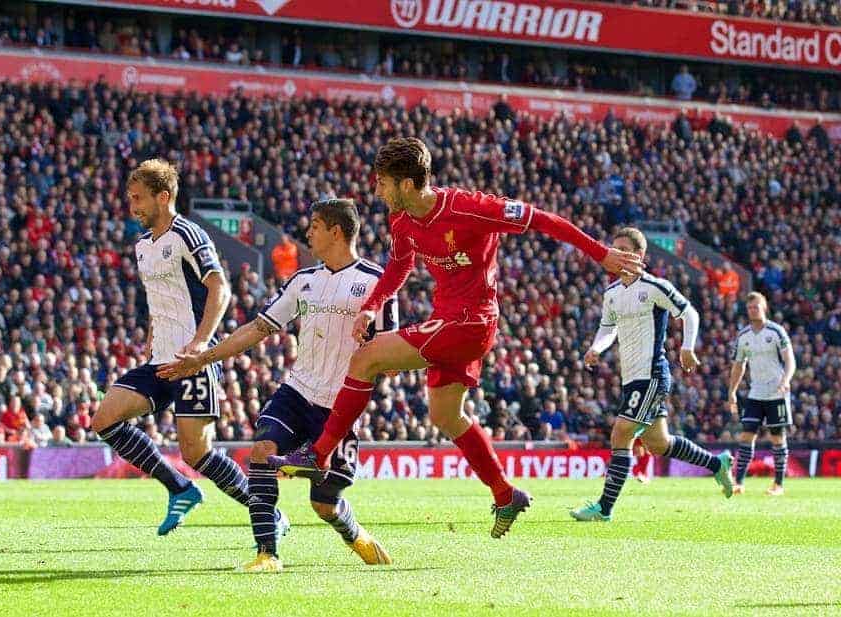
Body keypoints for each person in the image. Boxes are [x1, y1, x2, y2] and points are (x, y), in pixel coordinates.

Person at [271, 137, 643, 538]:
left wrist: (601, 253)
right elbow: (398, 267)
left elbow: (542, 219)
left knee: (366, 358)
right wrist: (372, 305)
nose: (377, 191)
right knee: (446, 416)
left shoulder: (471, 208)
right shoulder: (402, 220)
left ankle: (320, 452)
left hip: (472, 322)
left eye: (383, 183)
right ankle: (505, 493)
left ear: (408, 184)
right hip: (447, 320)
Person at [160, 199, 394, 572]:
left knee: (324, 504)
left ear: (336, 231)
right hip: (298, 391)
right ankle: (267, 553)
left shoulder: (375, 282)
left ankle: (355, 534)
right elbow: (258, 328)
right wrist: (204, 357)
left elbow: (389, 347)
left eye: (315, 225)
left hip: (339, 404)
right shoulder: (303, 281)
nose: (308, 233)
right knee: (262, 451)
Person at [90, 159, 256, 536]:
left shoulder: (189, 234)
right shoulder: (143, 245)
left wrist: (200, 344)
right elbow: (161, 295)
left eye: (138, 199)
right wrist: (152, 333)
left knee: (196, 453)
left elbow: (220, 288)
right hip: (159, 361)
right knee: (104, 419)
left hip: (192, 361)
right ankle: (179, 487)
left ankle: (264, 511)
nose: (133, 207)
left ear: (163, 197)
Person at [571, 228, 734, 522]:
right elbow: (608, 329)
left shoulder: (655, 286)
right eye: (614, 248)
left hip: (652, 374)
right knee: (658, 443)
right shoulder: (612, 294)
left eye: (623, 248)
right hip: (630, 376)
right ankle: (716, 463)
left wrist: (687, 347)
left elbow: (689, 313)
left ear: (638, 255)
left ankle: (604, 508)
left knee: (621, 432)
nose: (617, 253)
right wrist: (596, 348)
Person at [727, 292, 796, 496]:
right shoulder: (744, 336)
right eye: (749, 308)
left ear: (764, 307)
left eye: (756, 306)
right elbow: (738, 366)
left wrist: (786, 380)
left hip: (776, 392)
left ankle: (778, 484)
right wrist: (732, 391)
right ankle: (738, 482)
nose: (752, 310)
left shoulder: (776, 331)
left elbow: (790, 360)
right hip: (756, 393)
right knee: (747, 435)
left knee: (777, 437)